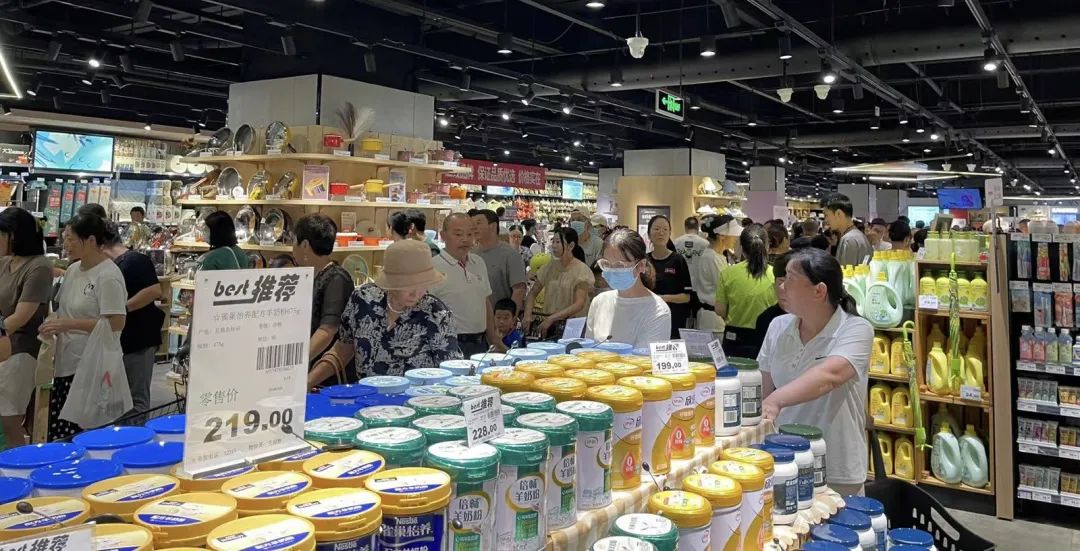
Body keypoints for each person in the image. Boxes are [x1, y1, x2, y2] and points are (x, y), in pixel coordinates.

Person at [758, 247, 873, 496]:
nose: (781, 287)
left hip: (837, 466)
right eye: (781, 279)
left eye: (790, 279)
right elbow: (762, 389)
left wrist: (776, 400)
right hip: (784, 459)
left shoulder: (856, 329)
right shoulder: (778, 326)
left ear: (819, 291)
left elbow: (830, 376)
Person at [41, 213, 127, 441]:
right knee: (63, 434)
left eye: (71, 239)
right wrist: (54, 323)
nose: (66, 245)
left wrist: (68, 324)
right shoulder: (72, 270)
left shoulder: (108, 275)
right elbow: (65, 309)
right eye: (65, 239)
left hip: (93, 366)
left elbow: (117, 322)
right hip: (66, 362)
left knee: (87, 435)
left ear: (90, 240)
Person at [326, 240, 462, 378]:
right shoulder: (363, 300)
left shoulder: (436, 314)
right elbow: (342, 350)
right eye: (408, 285)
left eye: (423, 285)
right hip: (365, 391)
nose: (416, 293)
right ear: (391, 282)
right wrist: (312, 380)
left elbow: (451, 373)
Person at [101, 221, 163, 418]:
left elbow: (155, 291)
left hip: (139, 339)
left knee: (136, 399)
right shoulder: (111, 264)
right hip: (122, 339)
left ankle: (138, 435)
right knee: (119, 398)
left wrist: (121, 309)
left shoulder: (135, 261)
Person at [0, 208, 50, 447]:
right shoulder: (5, 263)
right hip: (3, 345)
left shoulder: (39, 267)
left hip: (21, 351)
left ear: (15, 236)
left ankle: (17, 464)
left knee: (9, 419)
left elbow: (21, 316)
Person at [292, 214, 355, 388]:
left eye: (294, 241)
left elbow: (327, 330)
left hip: (326, 376)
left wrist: (295, 362)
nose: (292, 248)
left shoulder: (336, 278)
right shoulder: (313, 275)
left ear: (305, 245)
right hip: (314, 370)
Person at [431, 213, 503, 356]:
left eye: (470, 234)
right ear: (443, 236)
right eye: (458, 234)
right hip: (449, 344)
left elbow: (485, 301)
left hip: (481, 343)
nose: (465, 239)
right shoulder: (432, 267)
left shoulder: (478, 262)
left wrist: (493, 338)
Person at [586, 228, 671, 347]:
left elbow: (645, 356)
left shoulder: (657, 311)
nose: (612, 270)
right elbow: (589, 349)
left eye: (620, 265)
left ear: (640, 266)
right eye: (606, 264)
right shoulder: (599, 302)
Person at [715, 224, 776, 358]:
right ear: (767, 247)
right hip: (768, 337)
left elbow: (720, 310)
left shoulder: (728, 273)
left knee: (734, 371)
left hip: (734, 338)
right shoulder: (775, 274)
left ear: (742, 249)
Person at [522, 227, 593, 339]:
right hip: (549, 325)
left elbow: (579, 303)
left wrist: (552, 318)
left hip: (572, 326)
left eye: (558, 242)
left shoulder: (582, 271)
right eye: (553, 241)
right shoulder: (549, 267)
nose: (554, 246)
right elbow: (532, 293)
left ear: (571, 246)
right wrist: (527, 315)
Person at [471, 209, 527, 313]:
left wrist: (510, 318)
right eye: (472, 224)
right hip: (473, 317)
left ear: (492, 226)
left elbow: (519, 290)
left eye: (478, 223)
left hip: (498, 318)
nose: (474, 227)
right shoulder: (470, 253)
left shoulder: (511, 255)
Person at [646, 215, 691, 338]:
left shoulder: (678, 260)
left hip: (673, 320)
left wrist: (664, 298)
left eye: (665, 229)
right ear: (649, 234)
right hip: (649, 318)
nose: (661, 232)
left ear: (670, 233)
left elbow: (687, 297)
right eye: (657, 229)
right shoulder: (644, 261)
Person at [692, 215, 732, 333]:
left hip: (714, 318)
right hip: (713, 320)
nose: (735, 238)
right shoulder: (711, 258)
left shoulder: (716, 256)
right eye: (732, 234)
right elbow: (725, 288)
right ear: (722, 235)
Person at [823, 194, 871, 266]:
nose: (826, 220)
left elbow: (846, 271)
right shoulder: (857, 235)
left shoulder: (849, 239)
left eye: (826, 215)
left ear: (838, 213)